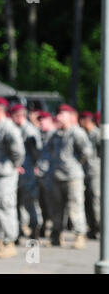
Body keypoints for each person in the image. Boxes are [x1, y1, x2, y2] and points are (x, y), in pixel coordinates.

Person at [0, 97, 25, 258]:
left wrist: (14, 165)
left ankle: (9, 243)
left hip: (5, 175)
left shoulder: (8, 127)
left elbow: (18, 151)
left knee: (5, 207)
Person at [48, 104, 92, 249]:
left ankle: (80, 235)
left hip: (73, 177)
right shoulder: (55, 134)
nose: (59, 117)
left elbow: (86, 152)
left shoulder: (76, 132)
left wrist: (75, 164)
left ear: (69, 116)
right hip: (56, 175)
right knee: (56, 208)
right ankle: (56, 235)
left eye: (62, 114)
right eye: (58, 114)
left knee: (75, 206)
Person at [10, 104, 43, 240]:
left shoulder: (30, 130)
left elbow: (36, 152)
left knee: (30, 202)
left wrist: (34, 167)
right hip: (17, 172)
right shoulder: (15, 129)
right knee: (16, 203)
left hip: (28, 171)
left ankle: (35, 229)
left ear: (19, 115)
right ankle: (17, 231)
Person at [79, 111, 101, 239]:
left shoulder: (97, 134)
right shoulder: (83, 134)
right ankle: (92, 227)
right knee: (87, 200)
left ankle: (100, 227)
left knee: (96, 199)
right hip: (86, 171)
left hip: (96, 171)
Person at [34, 111, 56, 237]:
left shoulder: (55, 135)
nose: (41, 122)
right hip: (40, 175)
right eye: (39, 120)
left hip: (52, 175)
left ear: (50, 120)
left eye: (44, 120)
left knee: (53, 204)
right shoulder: (39, 135)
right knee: (41, 203)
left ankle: (55, 231)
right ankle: (43, 228)